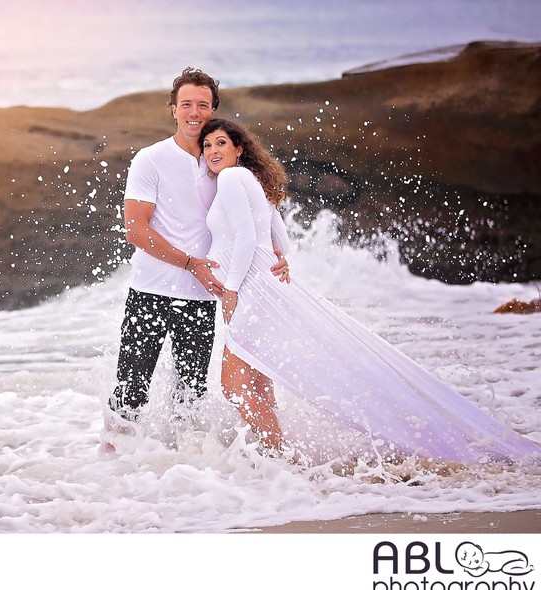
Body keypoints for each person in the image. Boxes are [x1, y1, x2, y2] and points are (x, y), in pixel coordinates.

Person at [200, 117, 541, 464]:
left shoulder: (229, 178)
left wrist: (230, 290)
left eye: (221, 143)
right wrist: (277, 258)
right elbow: (282, 240)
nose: (213, 150)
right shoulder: (254, 181)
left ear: (239, 148)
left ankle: (275, 454)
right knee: (256, 377)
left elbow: (244, 236)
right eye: (207, 145)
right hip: (265, 284)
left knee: (235, 383)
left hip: (252, 289)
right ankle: (276, 453)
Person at [106, 68, 290, 437]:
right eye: (186, 104)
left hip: (203, 295)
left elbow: (260, 214)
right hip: (151, 291)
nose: (194, 112)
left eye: (202, 105)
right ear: (173, 109)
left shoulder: (220, 163)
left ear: (213, 110)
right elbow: (136, 230)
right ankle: (112, 468)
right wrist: (190, 263)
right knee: (130, 388)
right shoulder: (150, 159)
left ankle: (184, 476)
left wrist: (279, 253)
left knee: (190, 397)